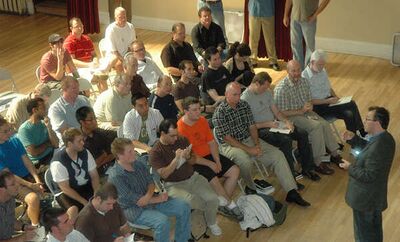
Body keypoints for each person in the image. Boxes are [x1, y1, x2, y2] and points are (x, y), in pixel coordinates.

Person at [212, 82, 310, 206]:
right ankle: (250, 187)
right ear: (226, 95)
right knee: (245, 161)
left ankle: (292, 191)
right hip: (230, 145)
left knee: (278, 155)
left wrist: (257, 144)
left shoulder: (243, 105)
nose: (238, 97)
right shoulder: (219, 113)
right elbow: (227, 138)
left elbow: (252, 126)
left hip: (248, 138)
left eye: (239, 94)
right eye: (234, 95)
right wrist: (250, 149)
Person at [108, 138, 191, 242]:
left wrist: (149, 196)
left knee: (184, 206)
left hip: (151, 199)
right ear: (119, 155)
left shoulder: (138, 163)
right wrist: (158, 199)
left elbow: (150, 181)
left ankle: (182, 239)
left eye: (133, 149)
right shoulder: (115, 176)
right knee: (162, 222)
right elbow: (138, 202)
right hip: (134, 210)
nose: (134, 153)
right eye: (130, 151)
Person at [241, 72, 320, 181]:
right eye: (264, 88)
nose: (266, 90)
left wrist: (286, 121)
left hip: (274, 124)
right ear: (256, 84)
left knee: (302, 133)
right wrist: (268, 124)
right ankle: (290, 174)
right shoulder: (245, 99)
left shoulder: (267, 92)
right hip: (260, 130)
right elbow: (250, 126)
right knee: (285, 140)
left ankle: (308, 168)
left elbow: (277, 112)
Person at [149, 119, 222, 236]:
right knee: (192, 200)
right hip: (173, 185)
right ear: (162, 134)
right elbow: (164, 174)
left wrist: (188, 157)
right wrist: (176, 159)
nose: (176, 138)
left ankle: (212, 222)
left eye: (176, 135)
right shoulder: (155, 152)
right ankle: (211, 207)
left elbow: (193, 160)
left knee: (212, 199)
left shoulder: (182, 139)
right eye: (172, 136)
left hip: (193, 178)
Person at [177, 97, 243, 221]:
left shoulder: (202, 120)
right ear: (186, 112)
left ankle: (220, 204)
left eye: (199, 109)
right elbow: (191, 157)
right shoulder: (181, 129)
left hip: (209, 155)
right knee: (214, 179)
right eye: (195, 110)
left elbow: (212, 143)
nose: (199, 112)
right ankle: (231, 204)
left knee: (235, 170)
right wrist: (210, 164)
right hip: (194, 161)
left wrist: (217, 160)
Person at [274, 60, 343, 174]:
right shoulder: (281, 89)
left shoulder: (304, 81)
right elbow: (280, 113)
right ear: (288, 71)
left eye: (298, 70)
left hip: (305, 112)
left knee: (324, 124)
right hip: (292, 116)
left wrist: (309, 106)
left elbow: (309, 100)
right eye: (293, 71)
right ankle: (318, 162)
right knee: (316, 127)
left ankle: (335, 154)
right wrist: (301, 111)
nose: (297, 73)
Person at [340, 106, 395, 242]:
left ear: (376, 123)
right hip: (374, 198)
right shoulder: (385, 139)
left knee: (364, 236)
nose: (364, 121)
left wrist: (350, 167)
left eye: (367, 119)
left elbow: (369, 175)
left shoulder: (378, 146)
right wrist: (353, 140)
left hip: (365, 200)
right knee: (374, 233)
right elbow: (368, 150)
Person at [302, 49, 366, 136]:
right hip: (318, 107)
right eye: (320, 65)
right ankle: (355, 138)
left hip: (329, 101)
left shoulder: (322, 70)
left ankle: (360, 132)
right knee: (348, 113)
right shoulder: (304, 77)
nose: (322, 67)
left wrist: (337, 98)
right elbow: (309, 101)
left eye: (323, 64)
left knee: (351, 103)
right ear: (312, 62)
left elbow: (329, 88)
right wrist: (328, 101)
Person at [0, 117, 44, 227]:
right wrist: (31, 185)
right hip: (13, 183)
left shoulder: (15, 140)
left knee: (47, 184)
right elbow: (8, 176)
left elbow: (27, 162)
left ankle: (26, 218)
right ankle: (35, 227)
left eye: (9, 129)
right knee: (33, 198)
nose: (9, 133)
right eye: (5, 131)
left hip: (28, 177)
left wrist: (37, 180)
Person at [49, 128, 100, 217]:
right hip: (66, 192)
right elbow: (65, 188)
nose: (83, 143)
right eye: (79, 141)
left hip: (84, 186)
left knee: (102, 199)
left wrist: (96, 193)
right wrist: (84, 202)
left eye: (82, 140)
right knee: (74, 210)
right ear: (69, 144)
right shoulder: (58, 163)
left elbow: (94, 176)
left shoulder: (85, 152)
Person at [63, 17, 108, 92]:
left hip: (90, 66)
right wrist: (89, 65)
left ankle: (104, 99)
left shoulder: (87, 39)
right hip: (77, 69)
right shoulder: (68, 42)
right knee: (99, 77)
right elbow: (72, 62)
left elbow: (94, 55)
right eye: (77, 26)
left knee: (102, 76)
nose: (80, 27)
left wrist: (95, 60)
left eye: (81, 25)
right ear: (71, 28)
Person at [283, 0, 331, 69]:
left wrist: (315, 15)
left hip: (309, 19)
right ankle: (298, 69)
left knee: (310, 47)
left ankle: (308, 71)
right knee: (295, 45)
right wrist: (285, 15)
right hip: (294, 18)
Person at [48, 76, 91, 145]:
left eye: (78, 87)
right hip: (73, 143)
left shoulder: (83, 100)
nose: (77, 90)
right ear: (64, 89)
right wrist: (86, 133)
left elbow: (92, 120)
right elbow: (66, 133)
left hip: (89, 135)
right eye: (74, 88)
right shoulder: (55, 109)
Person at [76, 106, 117, 176]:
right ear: (82, 122)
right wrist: (104, 156)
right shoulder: (78, 140)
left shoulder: (99, 133)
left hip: (111, 167)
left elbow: (112, 154)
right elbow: (88, 167)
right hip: (95, 176)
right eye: (90, 120)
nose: (94, 121)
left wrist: (102, 158)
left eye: (95, 118)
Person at [18, 98, 59, 167]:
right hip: (40, 161)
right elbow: (34, 152)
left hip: (53, 153)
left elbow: (56, 144)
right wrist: (47, 144)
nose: (46, 110)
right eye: (43, 108)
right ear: (34, 110)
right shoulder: (25, 129)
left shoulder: (44, 123)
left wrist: (49, 127)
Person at [0, 170, 37, 242]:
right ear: (1, 189)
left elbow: (10, 220)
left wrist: (24, 227)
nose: (18, 185)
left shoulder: (10, 199)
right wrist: (20, 238)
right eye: (13, 184)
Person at [248, 0, 280, 70]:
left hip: (268, 10)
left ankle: (273, 61)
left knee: (270, 39)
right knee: (253, 38)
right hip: (254, 10)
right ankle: (252, 60)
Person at [105, 7, 136, 72]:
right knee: (120, 65)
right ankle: (123, 81)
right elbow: (114, 51)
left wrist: (128, 56)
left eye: (124, 16)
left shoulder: (130, 26)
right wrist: (123, 60)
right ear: (115, 17)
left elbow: (132, 45)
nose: (123, 19)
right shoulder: (110, 29)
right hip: (114, 56)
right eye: (120, 17)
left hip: (127, 54)